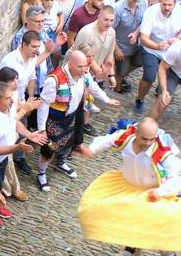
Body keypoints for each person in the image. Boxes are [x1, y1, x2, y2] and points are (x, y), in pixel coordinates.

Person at [78, 118, 181, 256]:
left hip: (154, 192)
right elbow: (107, 140)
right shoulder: (126, 137)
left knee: (161, 220)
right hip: (129, 186)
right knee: (129, 215)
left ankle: (167, 250)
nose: (149, 143)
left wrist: (160, 192)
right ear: (136, 133)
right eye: (144, 138)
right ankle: (132, 243)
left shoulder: (162, 151)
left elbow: (177, 176)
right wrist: (92, 149)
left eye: (152, 139)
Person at [35, 50, 121, 189]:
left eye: (84, 66)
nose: (83, 69)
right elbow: (43, 106)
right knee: (49, 148)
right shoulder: (54, 80)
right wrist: (41, 129)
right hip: (55, 120)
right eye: (79, 67)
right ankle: (41, 173)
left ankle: (61, 162)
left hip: (73, 116)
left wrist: (106, 99)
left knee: (70, 142)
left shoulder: (84, 75)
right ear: (70, 64)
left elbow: (92, 87)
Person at [134, 0, 181, 115]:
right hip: (152, 47)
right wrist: (157, 46)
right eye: (164, 4)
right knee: (149, 75)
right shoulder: (151, 12)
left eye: (170, 5)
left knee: (167, 78)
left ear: (175, 4)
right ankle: (140, 99)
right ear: (160, 1)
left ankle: (160, 98)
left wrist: (178, 38)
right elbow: (144, 39)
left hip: (171, 51)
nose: (167, 7)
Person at [112, 0, 146, 93]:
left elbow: (146, 22)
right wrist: (116, 49)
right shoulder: (117, 8)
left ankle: (120, 77)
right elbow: (110, 31)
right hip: (121, 46)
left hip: (137, 45)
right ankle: (117, 87)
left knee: (139, 61)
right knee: (121, 71)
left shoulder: (144, 3)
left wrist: (136, 33)